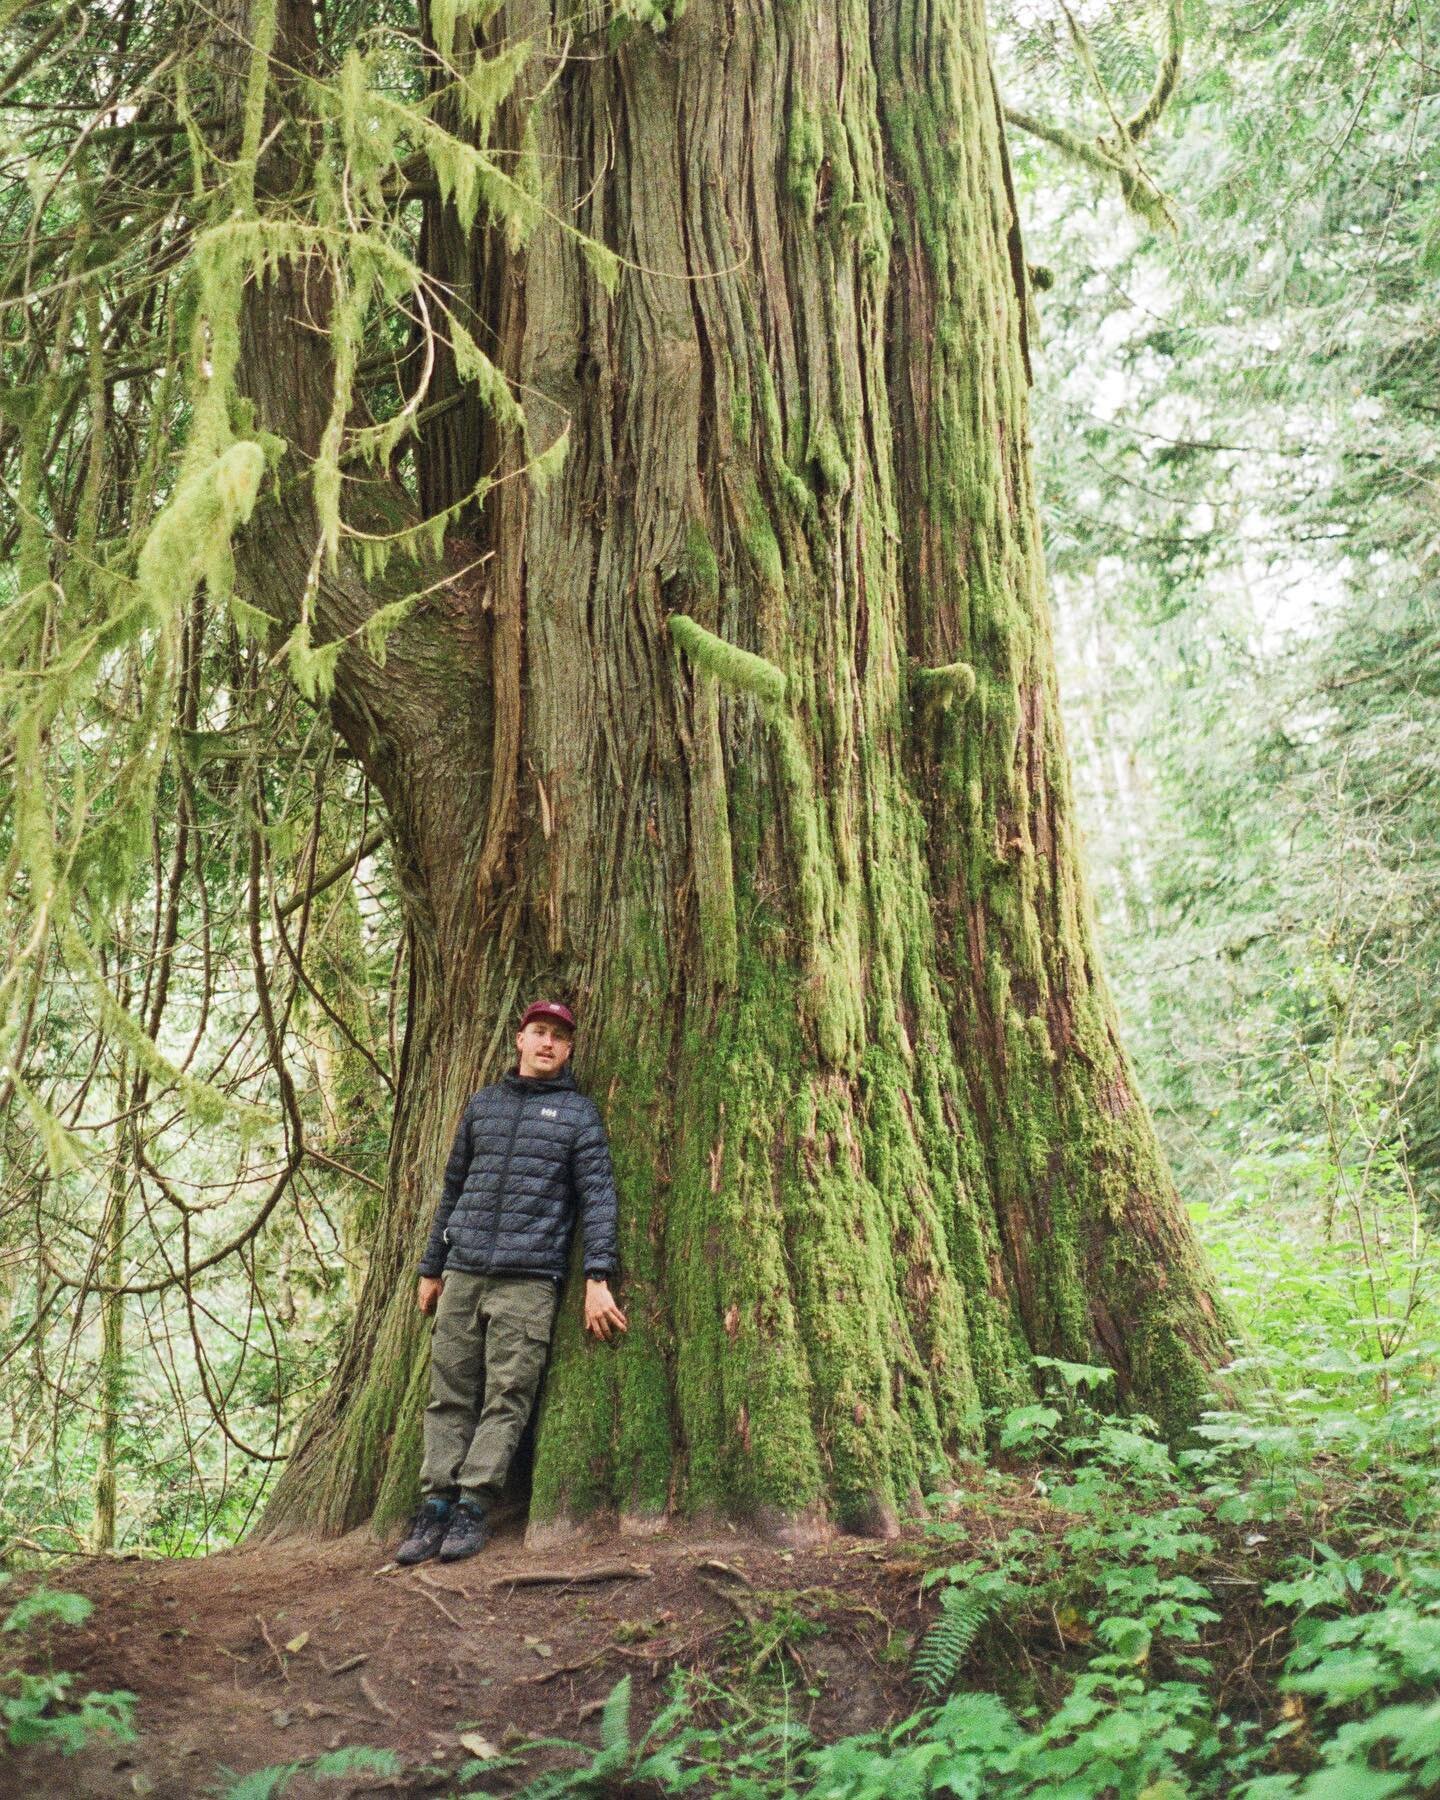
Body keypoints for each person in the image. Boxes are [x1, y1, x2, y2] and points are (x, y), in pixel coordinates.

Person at [395, 1000, 628, 1565]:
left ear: (569, 1051)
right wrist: (431, 1268)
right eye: (539, 1032)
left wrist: (597, 1277)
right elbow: (453, 1189)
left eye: (559, 1037)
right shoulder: (484, 1105)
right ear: (520, 1040)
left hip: (529, 1280)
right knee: (448, 1394)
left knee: (507, 1395)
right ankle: (435, 1505)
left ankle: (474, 1504)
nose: (548, 1043)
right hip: (464, 1271)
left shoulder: (579, 1115)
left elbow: (598, 1198)